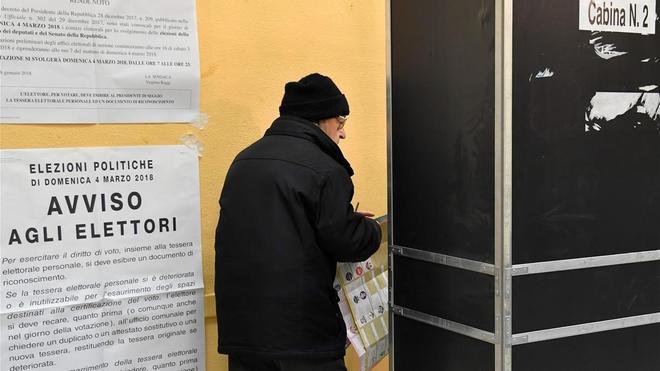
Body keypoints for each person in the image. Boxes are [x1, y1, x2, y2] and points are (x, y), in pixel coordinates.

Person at [214, 73, 382, 371]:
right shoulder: (324, 169)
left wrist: (341, 218)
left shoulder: (243, 161)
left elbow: (282, 225)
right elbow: (346, 241)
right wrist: (372, 229)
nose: (342, 134)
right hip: (302, 337)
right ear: (319, 120)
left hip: (244, 333)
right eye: (340, 123)